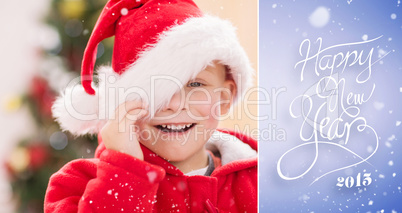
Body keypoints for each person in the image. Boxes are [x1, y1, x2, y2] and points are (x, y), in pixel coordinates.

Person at [45, 0, 257, 212]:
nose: (174, 104)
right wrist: (125, 170)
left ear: (225, 97)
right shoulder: (76, 184)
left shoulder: (261, 180)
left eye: (195, 84)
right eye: (156, 88)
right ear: (121, 101)